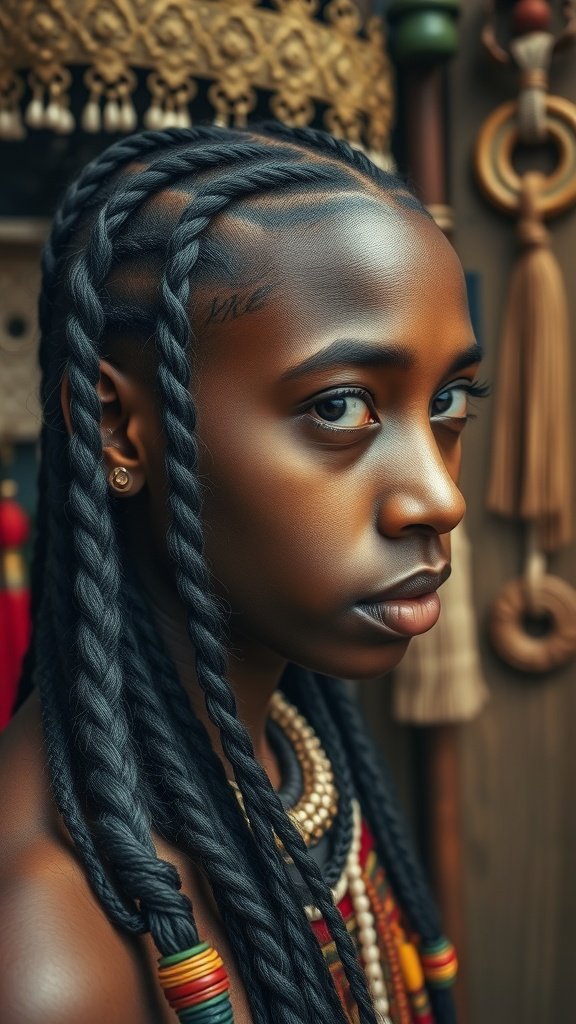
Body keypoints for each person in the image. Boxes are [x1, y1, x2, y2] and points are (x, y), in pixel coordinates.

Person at [0, 123, 485, 1024]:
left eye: (450, 401)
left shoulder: (293, 776)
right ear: (115, 427)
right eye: (340, 406)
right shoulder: (50, 955)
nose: (438, 497)